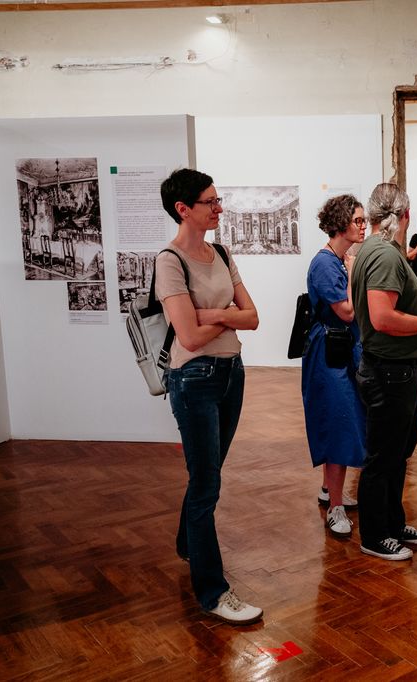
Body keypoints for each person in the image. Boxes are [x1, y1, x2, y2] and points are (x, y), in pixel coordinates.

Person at [156, 168, 262, 625]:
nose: (219, 208)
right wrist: (227, 315)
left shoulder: (220, 252)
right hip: (194, 379)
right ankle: (213, 592)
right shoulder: (169, 261)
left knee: (208, 473)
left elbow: (253, 316)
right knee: (206, 484)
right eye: (211, 201)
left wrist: (212, 314)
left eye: (218, 200)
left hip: (232, 373)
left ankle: (188, 543)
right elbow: (189, 337)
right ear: (184, 209)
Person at [351, 183, 417, 561]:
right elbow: (381, 317)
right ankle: (375, 536)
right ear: (405, 215)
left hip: (397, 370)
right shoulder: (385, 254)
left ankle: (392, 523)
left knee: (395, 454)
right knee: (383, 457)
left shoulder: (376, 249)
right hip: (389, 372)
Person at [302, 194, 367, 538]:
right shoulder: (327, 264)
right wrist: (354, 272)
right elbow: (347, 312)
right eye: (358, 220)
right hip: (329, 353)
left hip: (339, 350)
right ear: (341, 223)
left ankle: (331, 490)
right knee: (338, 422)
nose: (363, 226)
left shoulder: (337, 259)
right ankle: (335, 507)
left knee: (341, 419)